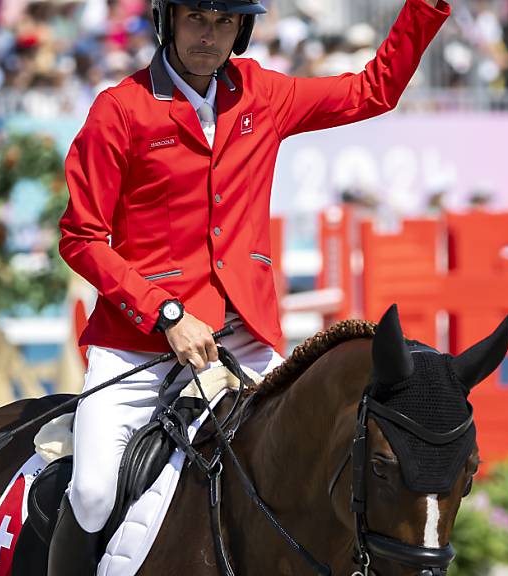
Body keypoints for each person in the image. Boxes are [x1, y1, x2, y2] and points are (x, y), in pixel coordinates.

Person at [53, 0, 450, 570]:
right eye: (195, 19)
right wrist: (165, 313)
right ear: (167, 21)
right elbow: (82, 238)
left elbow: (374, 90)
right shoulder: (121, 110)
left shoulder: (264, 95)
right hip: (138, 343)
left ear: (242, 28)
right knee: (92, 492)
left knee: (309, 476)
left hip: (241, 342)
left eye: (223, 23)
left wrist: (426, 6)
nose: (207, 37)